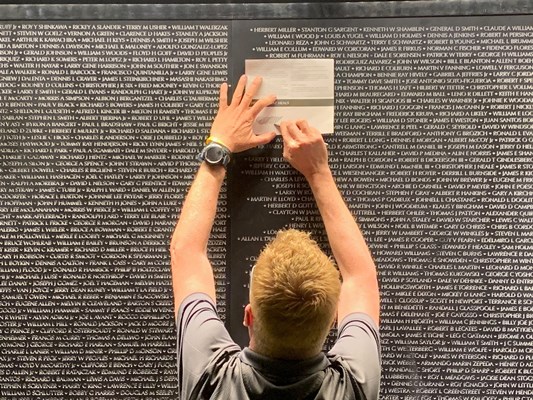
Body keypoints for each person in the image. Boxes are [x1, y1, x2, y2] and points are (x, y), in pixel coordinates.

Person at [170, 74, 381, 399]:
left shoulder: (211, 377)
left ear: (248, 316)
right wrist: (318, 173)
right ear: (332, 322)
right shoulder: (352, 386)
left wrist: (219, 145)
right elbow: (360, 277)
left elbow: (186, 252)